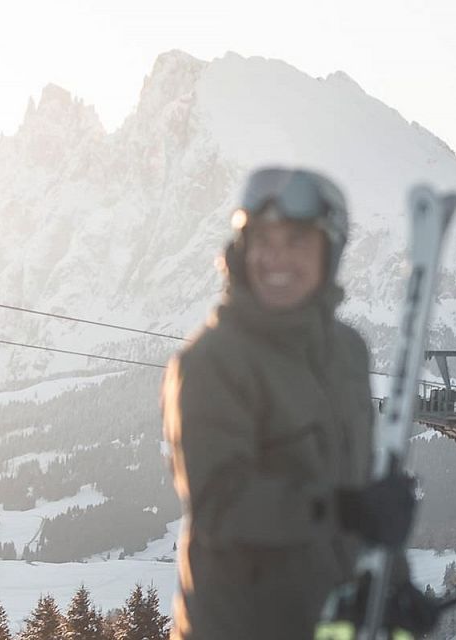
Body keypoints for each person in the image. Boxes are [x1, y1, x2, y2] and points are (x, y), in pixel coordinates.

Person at [163, 167, 417, 639]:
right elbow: (221, 503)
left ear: (330, 252)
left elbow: (359, 487)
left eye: (297, 240)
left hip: (326, 622)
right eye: (264, 241)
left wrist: (397, 585)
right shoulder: (213, 360)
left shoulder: (345, 352)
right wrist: (341, 509)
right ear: (242, 251)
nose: (276, 258)